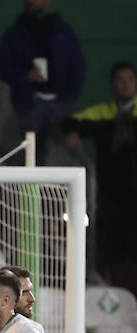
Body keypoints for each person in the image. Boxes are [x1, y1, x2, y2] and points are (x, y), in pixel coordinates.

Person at [60, 62, 137, 294]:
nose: (125, 84)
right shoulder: (102, 113)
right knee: (110, 247)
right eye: (120, 80)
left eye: (130, 79)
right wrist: (72, 134)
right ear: (113, 85)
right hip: (109, 193)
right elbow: (67, 125)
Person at [0, 0, 84, 160]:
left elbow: (77, 66)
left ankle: (61, 185)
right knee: (29, 154)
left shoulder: (63, 31)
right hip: (29, 103)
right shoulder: (15, 33)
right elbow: (2, 68)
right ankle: (31, 185)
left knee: (64, 154)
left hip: (60, 104)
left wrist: (69, 96)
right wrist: (25, 75)